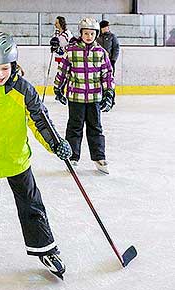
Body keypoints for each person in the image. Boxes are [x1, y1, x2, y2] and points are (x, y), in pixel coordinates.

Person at [0, 32, 72, 289]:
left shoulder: (23, 89)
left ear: (14, 64)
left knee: (32, 206)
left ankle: (45, 248)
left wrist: (56, 144)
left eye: (5, 68)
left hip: (18, 160)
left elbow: (39, 120)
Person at [54, 18, 115, 174]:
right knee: (75, 128)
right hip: (76, 98)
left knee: (95, 128)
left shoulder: (101, 53)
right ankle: (72, 157)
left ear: (96, 34)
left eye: (92, 33)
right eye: (86, 33)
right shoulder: (72, 51)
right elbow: (63, 71)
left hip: (95, 98)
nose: (89, 36)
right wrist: (58, 88)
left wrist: (109, 93)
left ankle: (99, 157)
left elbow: (107, 74)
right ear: (81, 33)